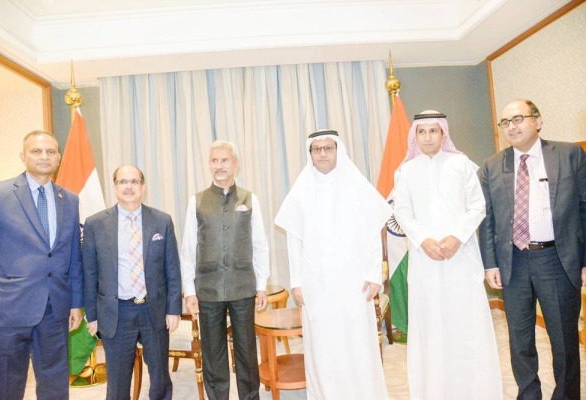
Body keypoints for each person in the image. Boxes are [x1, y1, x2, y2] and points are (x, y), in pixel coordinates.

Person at [479, 99, 586, 399]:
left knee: (563, 339)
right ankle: (529, 394)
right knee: (519, 339)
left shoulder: (569, 155)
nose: (511, 126)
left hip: (557, 259)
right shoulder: (491, 165)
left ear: (538, 121)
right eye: (505, 122)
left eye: (518, 119)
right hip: (513, 262)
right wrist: (490, 264)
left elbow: (584, 207)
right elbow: (487, 219)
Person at [393, 111, 502, 400]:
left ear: (444, 134)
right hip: (424, 258)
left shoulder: (462, 164)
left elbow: (477, 207)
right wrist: (423, 240)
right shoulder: (405, 171)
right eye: (422, 132)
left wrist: (457, 237)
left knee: (465, 321)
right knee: (430, 323)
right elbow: (402, 211)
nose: (428, 137)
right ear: (415, 136)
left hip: (461, 257)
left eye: (434, 131)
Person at [274, 129, 391, 399]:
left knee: (356, 344)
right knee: (324, 346)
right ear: (311, 154)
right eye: (317, 149)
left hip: (355, 282)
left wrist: (375, 275)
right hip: (316, 284)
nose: (323, 153)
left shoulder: (357, 186)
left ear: (338, 150)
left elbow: (374, 232)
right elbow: (295, 241)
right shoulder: (301, 190)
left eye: (328, 148)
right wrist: (296, 282)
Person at [0, 130, 83, 399]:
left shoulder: (70, 199)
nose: (44, 157)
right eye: (36, 151)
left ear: (59, 158)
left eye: (50, 152)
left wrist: (75, 302)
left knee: (55, 384)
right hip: (7, 309)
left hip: (55, 308)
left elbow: (73, 254)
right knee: (6, 384)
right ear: (23, 156)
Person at [82, 165, 182, 400]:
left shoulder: (161, 220)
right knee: (117, 381)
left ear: (143, 187)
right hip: (116, 312)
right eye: (123, 181)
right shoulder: (95, 223)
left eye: (134, 182)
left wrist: (173, 310)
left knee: (159, 377)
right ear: (115, 186)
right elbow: (89, 273)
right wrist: (92, 315)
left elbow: (172, 269)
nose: (128, 186)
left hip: (153, 310)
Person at [181, 140, 270, 400]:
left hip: (242, 286)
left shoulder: (249, 199)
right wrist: (189, 291)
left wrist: (262, 284)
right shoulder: (195, 201)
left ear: (235, 163)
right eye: (214, 161)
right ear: (209, 164)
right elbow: (188, 249)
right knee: (213, 353)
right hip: (207, 289)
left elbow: (260, 243)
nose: (219, 166)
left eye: (224, 160)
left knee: (246, 351)